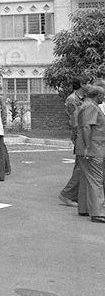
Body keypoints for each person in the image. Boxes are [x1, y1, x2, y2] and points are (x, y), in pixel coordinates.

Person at [74, 84, 105, 223]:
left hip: (88, 147)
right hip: (93, 148)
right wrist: (88, 147)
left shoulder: (86, 105)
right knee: (96, 180)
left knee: (87, 178)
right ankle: (98, 212)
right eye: (102, 96)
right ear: (97, 95)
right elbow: (87, 127)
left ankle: (84, 208)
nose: (103, 98)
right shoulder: (91, 107)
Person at [59, 77, 86, 206]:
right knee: (81, 166)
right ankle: (67, 194)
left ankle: (75, 194)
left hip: (84, 133)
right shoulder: (72, 99)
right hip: (80, 134)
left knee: (82, 166)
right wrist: (78, 136)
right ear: (82, 84)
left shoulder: (83, 98)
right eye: (88, 83)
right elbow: (74, 120)